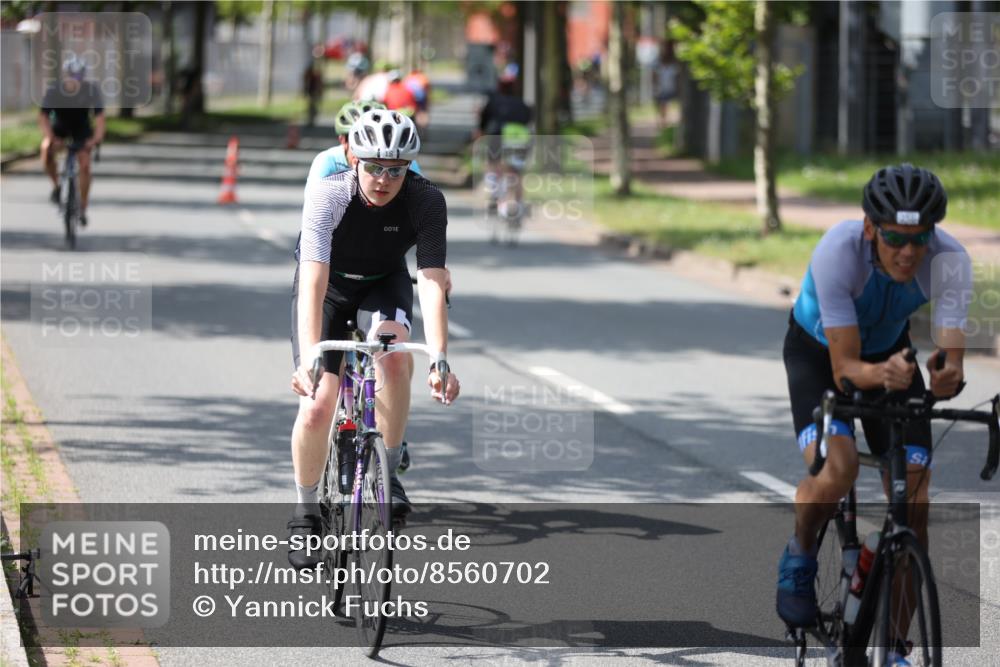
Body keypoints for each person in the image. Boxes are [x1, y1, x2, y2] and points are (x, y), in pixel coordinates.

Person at [776, 164, 971, 665]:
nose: (908, 251)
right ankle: (800, 552)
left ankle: (894, 646)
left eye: (920, 238)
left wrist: (947, 372)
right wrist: (882, 373)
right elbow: (844, 368)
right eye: (894, 238)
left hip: (891, 355)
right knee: (837, 468)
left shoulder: (950, 260)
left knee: (916, 493)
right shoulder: (838, 252)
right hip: (819, 356)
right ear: (870, 229)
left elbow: (951, 356)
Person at [287, 110, 460, 569]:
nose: (384, 179)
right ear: (354, 160)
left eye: (396, 170)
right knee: (318, 404)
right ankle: (306, 515)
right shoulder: (329, 196)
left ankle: (388, 466)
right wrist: (308, 357)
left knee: (396, 358)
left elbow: (430, 280)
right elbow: (313, 281)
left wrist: (439, 358)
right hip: (329, 292)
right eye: (374, 167)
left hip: (384, 284)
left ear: (410, 169)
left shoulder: (426, 201)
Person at [38, 55, 105, 226]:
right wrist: (51, 137)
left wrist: (95, 139)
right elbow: (43, 117)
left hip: (81, 130)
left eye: (79, 76)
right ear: (65, 74)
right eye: (72, 75)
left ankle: (82, 206)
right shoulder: (54, 89)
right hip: (59, 128)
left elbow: (99, 120)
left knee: (84, 164)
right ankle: (56, 187)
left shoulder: (91, 90)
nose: (75, 79)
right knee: (46, 149)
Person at [305, 100, 422, 184]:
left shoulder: (406, 164)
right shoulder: (327, 161)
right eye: (358, 142)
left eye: (395, 170)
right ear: (343, 141)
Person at [476, 74, 532, 213]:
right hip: (520, 139)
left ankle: (494, 194)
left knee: (493, 165)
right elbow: (528, 120)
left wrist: (480, 132)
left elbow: (484, 119)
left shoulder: (493, 101)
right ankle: (518, 203)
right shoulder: (522, 104)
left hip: (498, 137)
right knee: (516, 171)